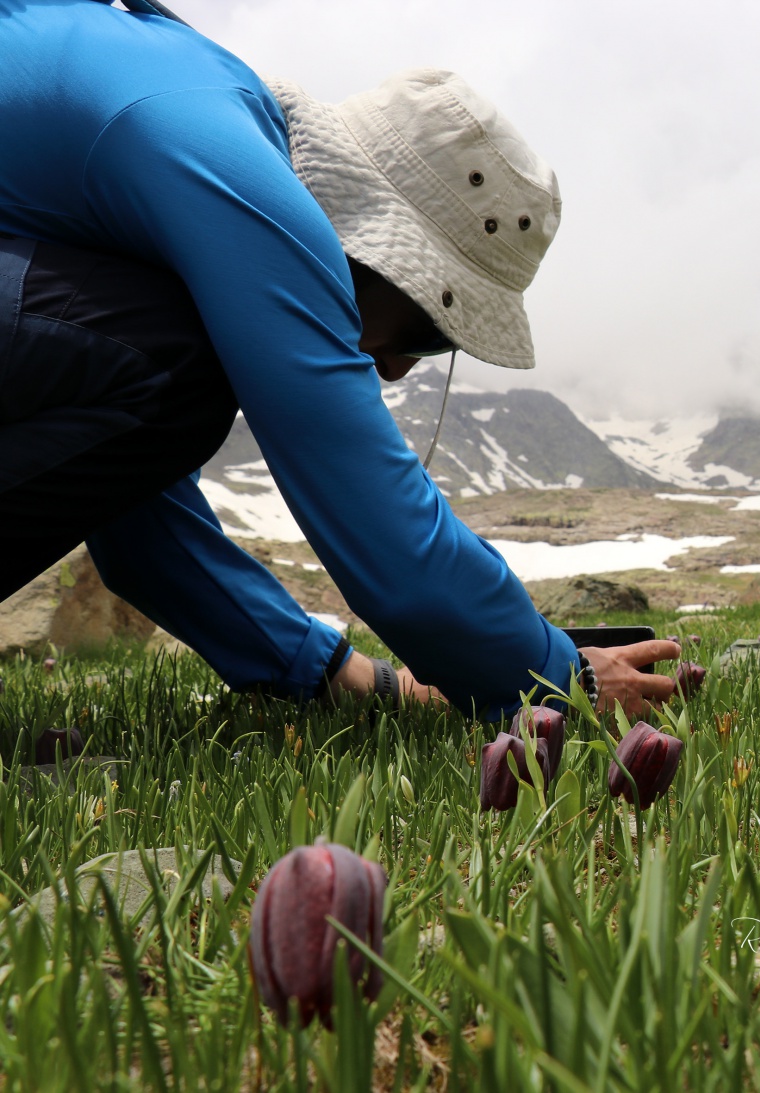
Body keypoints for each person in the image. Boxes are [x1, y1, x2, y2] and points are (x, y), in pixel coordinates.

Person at [0, 0, 678, 717]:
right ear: (373, 247)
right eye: (427, 331)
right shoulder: (237, 174)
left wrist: (350, 676)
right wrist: (559, 678)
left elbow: (144, 525)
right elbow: (387, 540)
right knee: (186, 370)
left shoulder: (194, 108)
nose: (396, 369)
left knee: (173, 370)